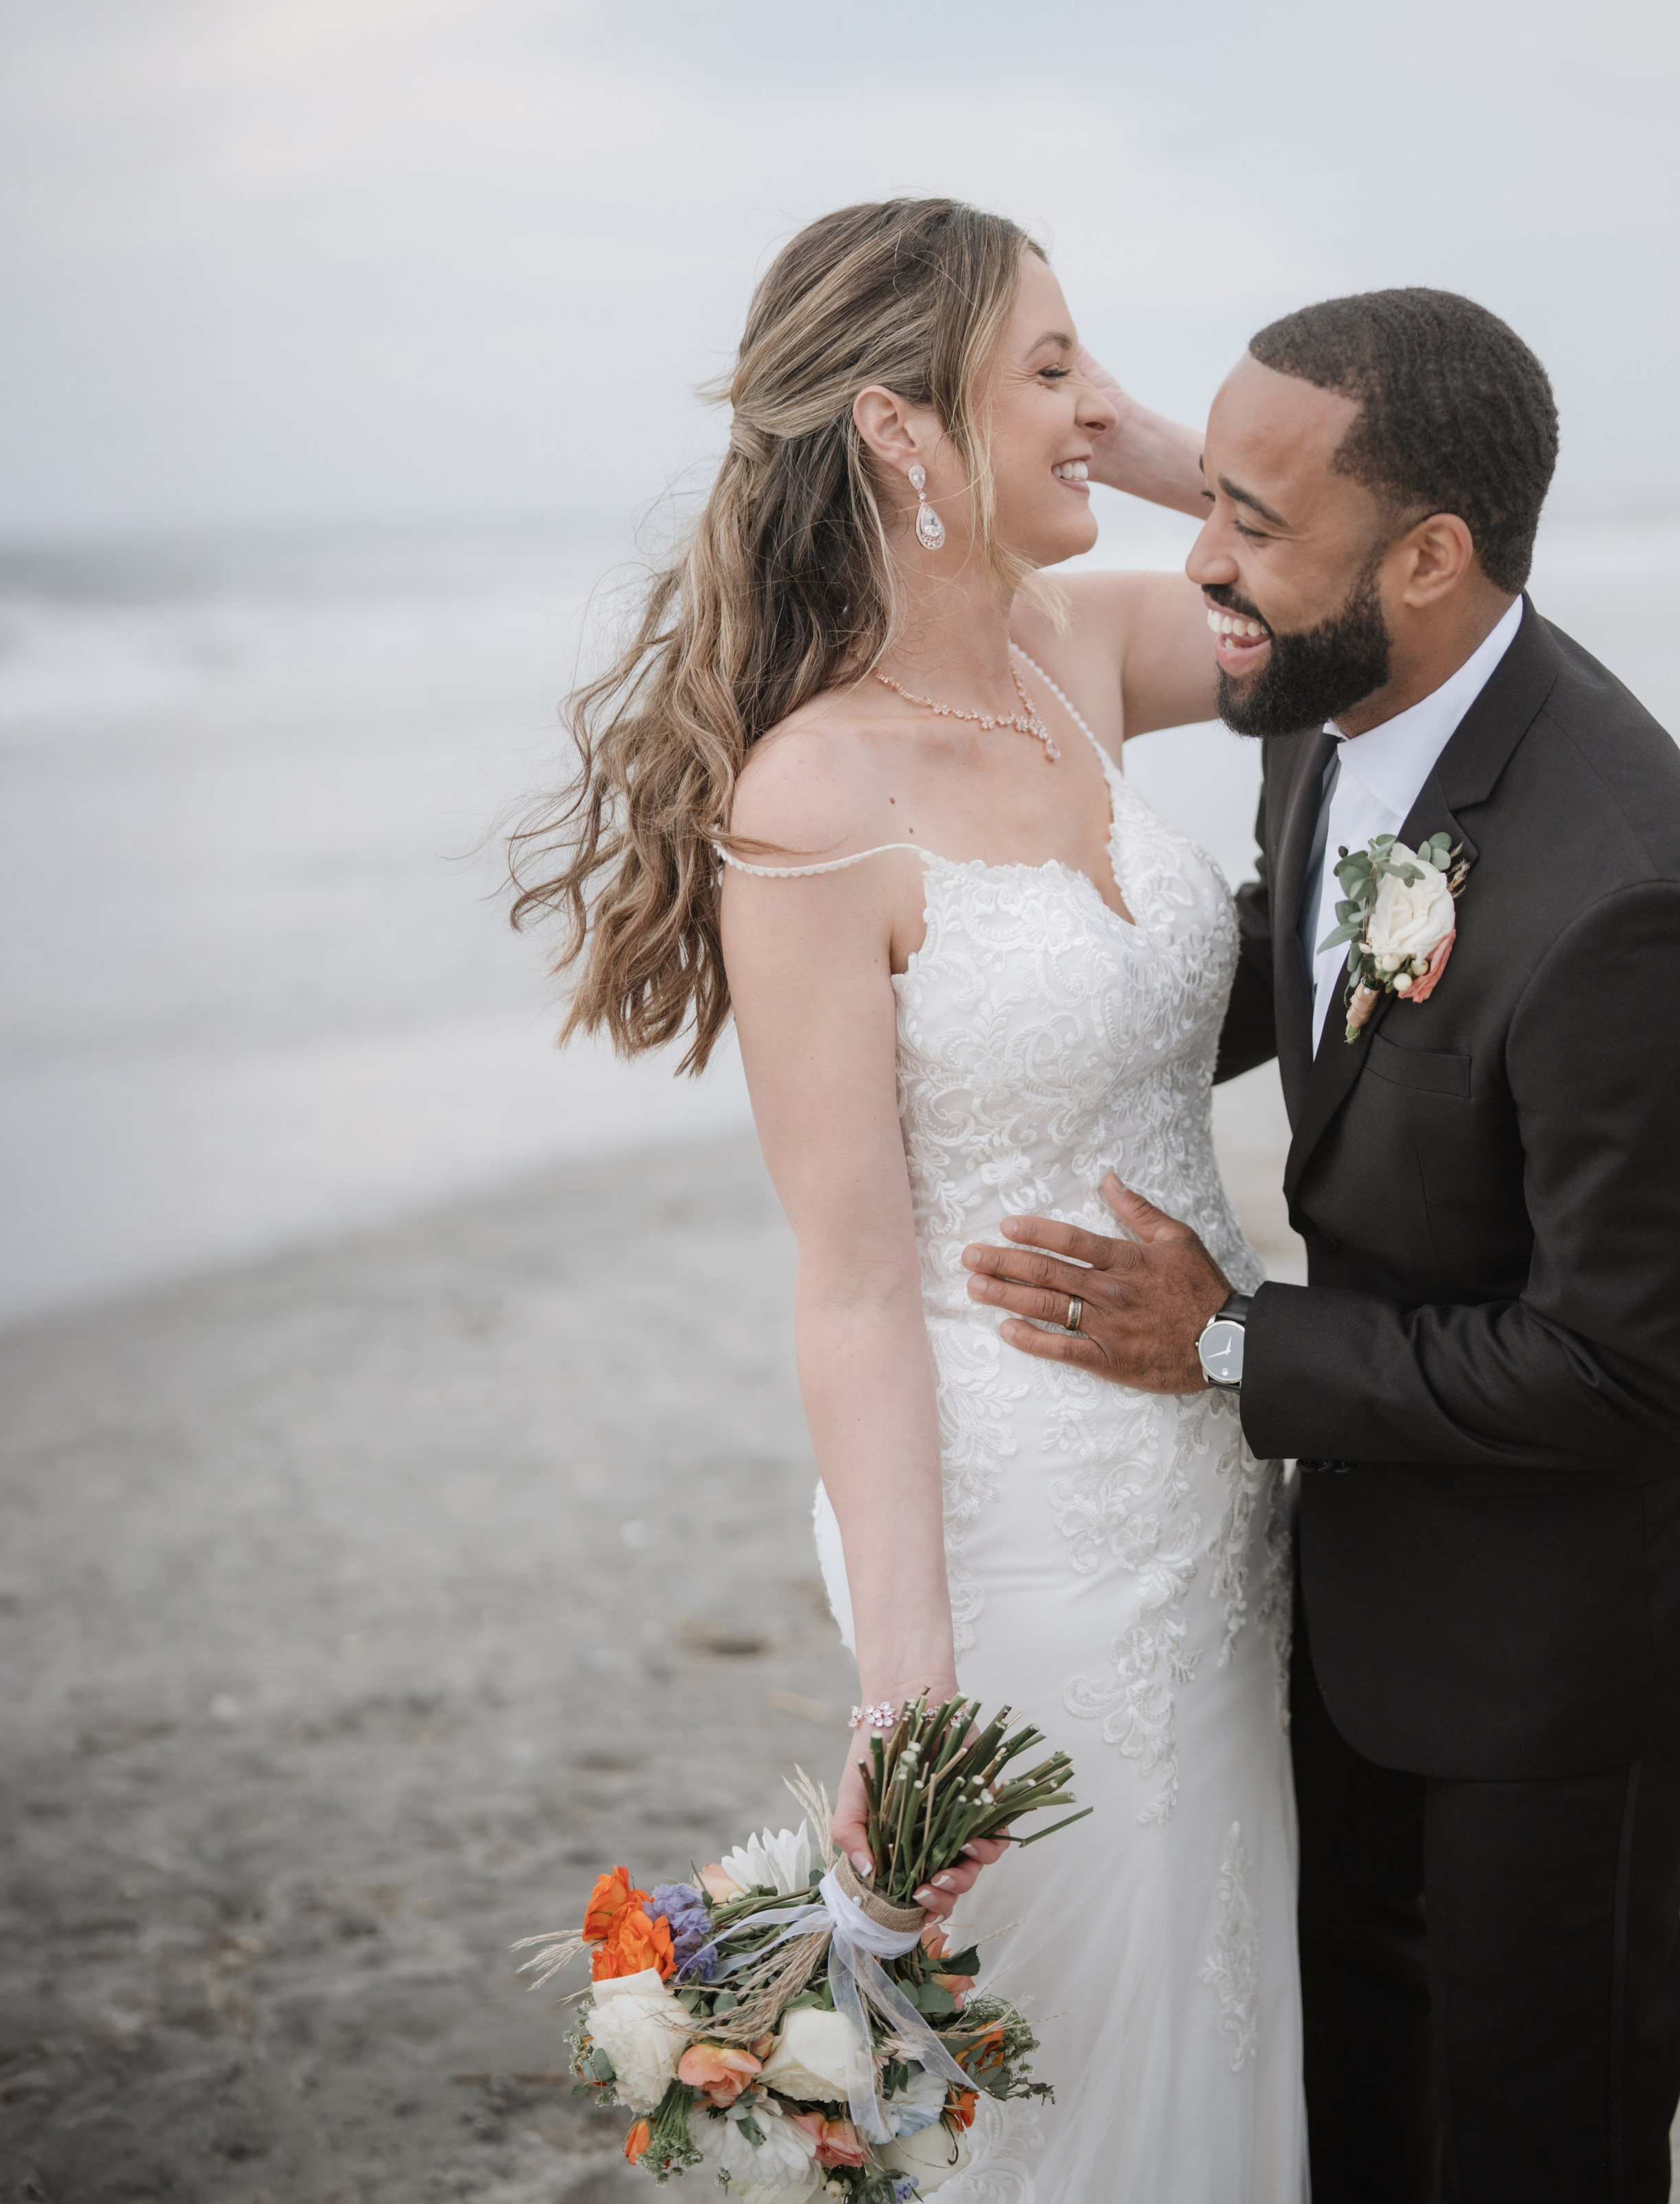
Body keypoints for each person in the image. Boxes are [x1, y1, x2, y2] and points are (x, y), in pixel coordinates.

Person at [513, 196, 1306, 2199]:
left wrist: (1102, 438)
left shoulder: (1086, 659)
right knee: (1050, 2064)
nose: (1092, 405)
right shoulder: (811, 797)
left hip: (1214, 1481)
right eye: (1048, 367)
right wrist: (909, 1690)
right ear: (896, 430)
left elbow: (1326, 578)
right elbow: (854, 1284)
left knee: (1217, 2001)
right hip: (1009, 1507)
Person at [964, 289, 1680, 2201]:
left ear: (1432, 557)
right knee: (1352, 2097)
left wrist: (1225, 1342)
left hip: (1553, 1672)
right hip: (1340, 1607)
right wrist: (1025, 1031)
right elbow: (1318, 954)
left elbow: (1623, 1362)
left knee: (1537, 2143)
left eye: (1252, 524)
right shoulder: (1338, 692)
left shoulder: (1621, 895)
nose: (1201, 561)